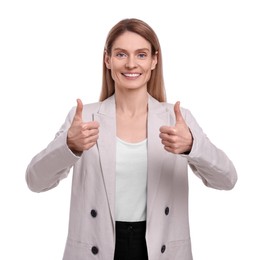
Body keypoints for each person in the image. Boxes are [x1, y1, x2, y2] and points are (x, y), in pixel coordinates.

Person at [26, 18, 237, 260]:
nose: (131, 64)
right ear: (107, 60)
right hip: (96, 246)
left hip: (160, 249)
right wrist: (69, 147)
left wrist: (192, 146)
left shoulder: (177, 119)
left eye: (141, 55)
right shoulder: (84, 118)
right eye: (121, 54)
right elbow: (35, 181)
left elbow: (228, 179)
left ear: (154, 60)